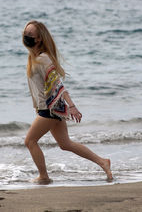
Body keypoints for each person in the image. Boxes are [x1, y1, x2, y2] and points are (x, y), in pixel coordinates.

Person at [22, 20, 113, 184]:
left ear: (39, 39)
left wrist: (71, 105)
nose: (26, 37)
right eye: (25, 33)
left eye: (30, 34)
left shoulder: (43, 59)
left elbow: (58, 84)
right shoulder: (34, 58)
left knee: (30, 141)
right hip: (52, 108)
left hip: (49, 109)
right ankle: (102, 162)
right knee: (65, 144)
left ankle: (43, 176)